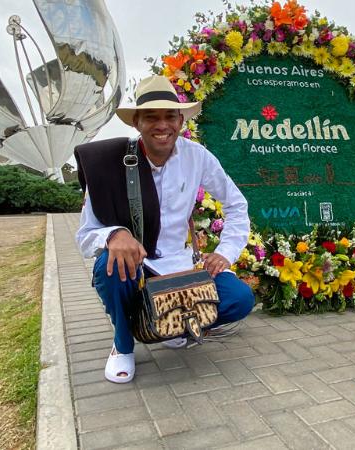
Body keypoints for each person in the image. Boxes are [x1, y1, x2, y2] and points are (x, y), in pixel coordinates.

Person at [74, 75, 255, 384]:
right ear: (136, 122)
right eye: (151, 117)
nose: (162, 125)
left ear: (180, 120)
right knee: (109, 266)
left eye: (170, 116)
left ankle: (175, 323)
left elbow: (237, 205)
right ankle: (122, 345)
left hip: (180, 265)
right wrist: (114, 235)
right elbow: (86, 233)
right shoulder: (109, 163)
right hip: (137, 268)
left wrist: (224, 253)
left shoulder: (197, 156)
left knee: (240, 298)